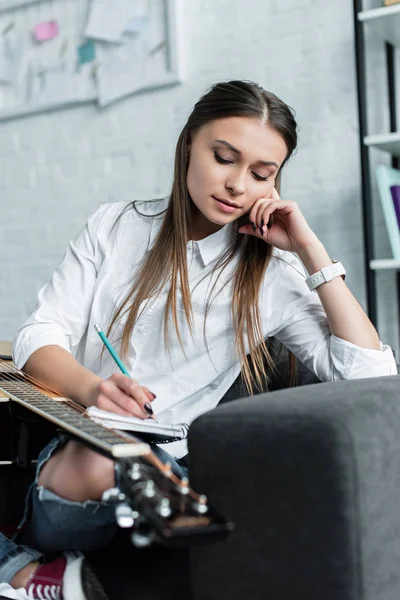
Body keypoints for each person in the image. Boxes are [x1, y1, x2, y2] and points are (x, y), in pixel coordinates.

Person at [0, 79, 396, 600]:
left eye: (261, 174)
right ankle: (50, 571)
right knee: (102, 462)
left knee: (195, 496)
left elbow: (373, 382)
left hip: (175, 469)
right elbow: (39, 334)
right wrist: (93, 389)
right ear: (190, 143)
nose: (237, 185)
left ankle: (47, 573)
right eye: (224, 157)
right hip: (85, 453)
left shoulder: (271, 274)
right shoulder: (115, 227)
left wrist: (309, 250)